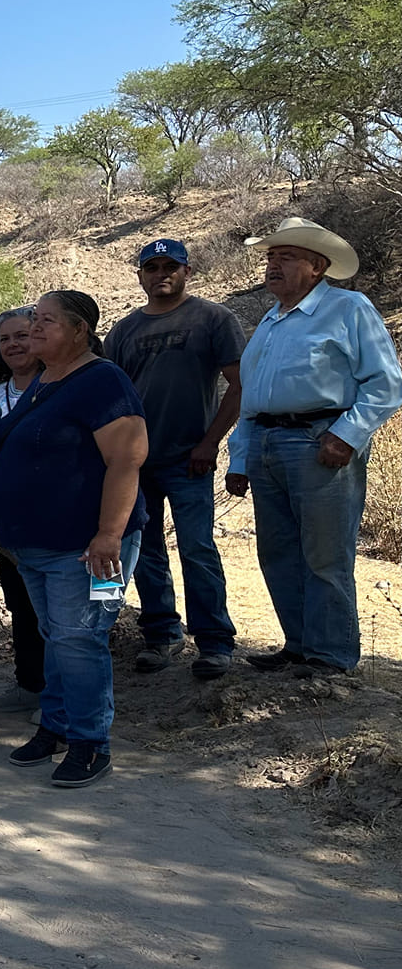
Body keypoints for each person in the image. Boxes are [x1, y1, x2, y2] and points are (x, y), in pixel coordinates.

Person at [0, 291, 149, 788]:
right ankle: (55, 725)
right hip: (34, 545)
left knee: (80, 637)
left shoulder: (102, 381)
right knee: (57, 635)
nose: (34, 327)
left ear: (79, 331)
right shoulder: (43, 383)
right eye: (32, 318)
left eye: (46, 320)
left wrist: (109, 535)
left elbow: (128, 458)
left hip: (90, 548)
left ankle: (91, 743)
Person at [226, 217, 402, 677]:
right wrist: (240, 456)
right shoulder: (269, 321)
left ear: (317, 267)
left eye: (286, 257)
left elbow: (385, 384)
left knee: (325, 554)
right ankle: (299, 646)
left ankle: (330, 657)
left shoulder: (348, 308)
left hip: (318, 442)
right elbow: (251, 396)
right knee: (278, 551)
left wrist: (347, 435)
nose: (273, 265)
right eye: (270, 257)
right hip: (266, 443)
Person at [104, 238, 245, 680]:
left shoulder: (213, 318)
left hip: (189, 459)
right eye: (152, 266)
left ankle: (215, 642)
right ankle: (161, 635)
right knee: (145, 551)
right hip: (135, 462)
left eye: (171, 266)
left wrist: (210, 442)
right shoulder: (124, 331)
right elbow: (110, 398)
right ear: (140, 275)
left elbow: (239, 385)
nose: (161, 273)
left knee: (197, 547)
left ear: (187, 272)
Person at [0, 307, 47, 715]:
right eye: (5, 339)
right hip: (6, 520)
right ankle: (29, 684)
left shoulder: (57, 385)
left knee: (56, 608)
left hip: (53, 513)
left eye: (22, 336)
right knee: (20, 601)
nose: (14, 345)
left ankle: (62, 696)